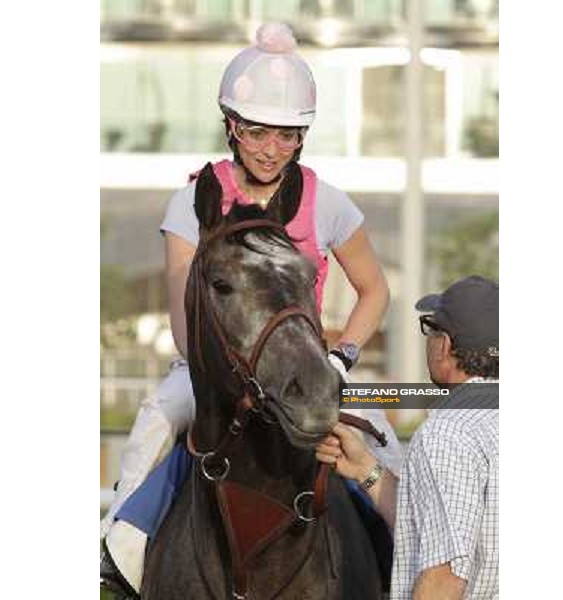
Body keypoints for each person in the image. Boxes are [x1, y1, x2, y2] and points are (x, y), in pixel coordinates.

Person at [100, 22, 403, 596]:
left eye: (288, 135)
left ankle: (399, 554)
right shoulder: (192, 201)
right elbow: (184, 321)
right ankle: (121, 550)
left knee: (383, 436)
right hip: (214, 370)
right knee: (154, 423)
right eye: (259, 132)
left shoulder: (328, 202)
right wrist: (228, 379)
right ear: (232, 127)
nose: (272, 148)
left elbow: (375, 291)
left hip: (307, 370)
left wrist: (339, 359)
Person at [317, 275, 499, 599]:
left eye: (430, 328)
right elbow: (438, 526)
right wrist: (364, 469)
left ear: (444, 346)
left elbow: (444, 576)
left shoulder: (448, 433)